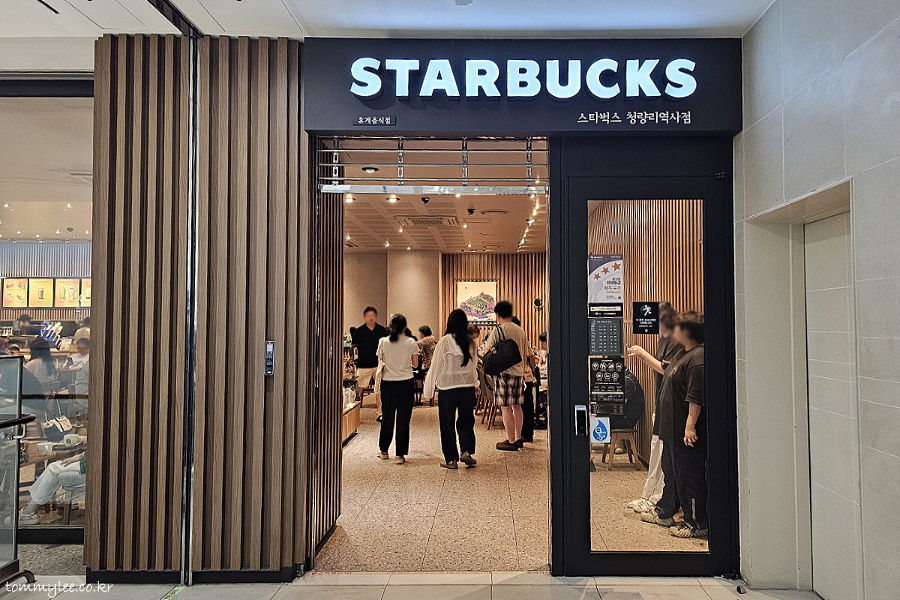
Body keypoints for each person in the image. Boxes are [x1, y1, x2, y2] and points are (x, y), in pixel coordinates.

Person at [630, 311, 708, 539]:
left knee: (688, 477)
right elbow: (664, 371)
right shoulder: (682, 355)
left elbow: (695, 397)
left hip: (684, 431)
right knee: (671, 474)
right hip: (670, 429)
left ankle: (696, 523)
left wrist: (690, 426)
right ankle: (665, 511)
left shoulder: (698, 358)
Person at [626, 303, 681, 513]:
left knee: (662, 454)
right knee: (656, 448)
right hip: (661, 400)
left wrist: (643, 354)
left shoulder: (676, 339)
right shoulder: (664, 338)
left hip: (671, 404)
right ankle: (647, 496)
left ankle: (655, 499)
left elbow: (667, 369)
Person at [423, 309, 478, 470]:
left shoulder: (444, 341)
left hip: (447, 387)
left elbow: (435, 366)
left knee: (447, 423)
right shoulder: (470, 341)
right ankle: (466, 451)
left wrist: (428, 391)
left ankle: (451, 460)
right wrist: (475, 384)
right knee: (466, 419)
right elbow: (473, 365)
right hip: (467, 386)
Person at [482, 300, 534, 451]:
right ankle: (518, 438)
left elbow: (486, 350)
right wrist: (522, 371)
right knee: (517, 406)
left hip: (503, 373)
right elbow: (524, 354)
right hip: (519, 373)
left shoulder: (498, 330)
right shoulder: (521, 331)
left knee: (505, 407)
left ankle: (510, 441)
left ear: (498, 315)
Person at [376, 314, 420, 465]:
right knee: (403, 419)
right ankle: (399, 455)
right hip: (406, 383)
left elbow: (380, 360)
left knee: (387, 417)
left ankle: (384, 451)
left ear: (391, 326)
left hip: (388, 383)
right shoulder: (411, 342)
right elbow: (415, 364)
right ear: (404, 327)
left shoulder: (383, 341)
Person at [19, 452, 86, 526]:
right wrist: (81, 456)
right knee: (58, 465)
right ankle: (70, 500)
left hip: (89, 469)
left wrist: (81, 456)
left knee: (53, 468)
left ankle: (29, 513)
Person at [352, 307, 389, 422]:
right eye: (368, 316)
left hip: (378, 364)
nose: (371, 318)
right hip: (363, 364)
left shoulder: (382, 331)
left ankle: (380, 413)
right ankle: (355, 414)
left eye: (373, 315)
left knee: (379, 390)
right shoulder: (359, 331)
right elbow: (354, 347)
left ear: (376, 317)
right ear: (365, 317)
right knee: (359, 389)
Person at [511, 316, 539, 443]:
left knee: (522, 407)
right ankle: (523, 433)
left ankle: (524, 433)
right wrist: (532, 370)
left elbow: (531, 356)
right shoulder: (522, 339)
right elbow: (531, 357)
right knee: (524, 407)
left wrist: (531, 370)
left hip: (521, 378)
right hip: (525, 377)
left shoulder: (515, 340)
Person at [70, 338, 90, 416]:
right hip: (84, 395)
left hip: (82, 392)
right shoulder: (91, 363)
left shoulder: (89, 360)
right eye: (79, 347)